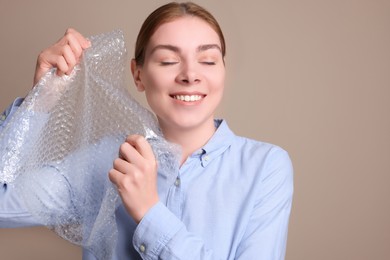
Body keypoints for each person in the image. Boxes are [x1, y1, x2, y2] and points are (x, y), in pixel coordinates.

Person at [0, 1, 293, 259]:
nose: (191, 75)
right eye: (168, 61)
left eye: (208, 60)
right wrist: (40, 102)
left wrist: (149, 212)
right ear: (138, 75)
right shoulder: (108, 160)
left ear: (223, 71)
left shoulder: (265, 166)